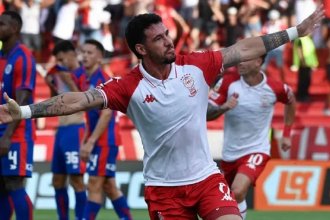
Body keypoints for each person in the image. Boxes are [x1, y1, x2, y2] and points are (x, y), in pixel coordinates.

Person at [0, 6, 324, 220]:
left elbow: (244, 48)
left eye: (167, 34)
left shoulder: (196, 65)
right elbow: (78, 101)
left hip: (206, 178)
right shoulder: (128, 86)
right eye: (159, 39)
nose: (169, 42)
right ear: (141, 49)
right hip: (164, 191)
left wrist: (294, 32)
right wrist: (25, 111)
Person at [207, 55, 296, 219]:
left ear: (258, 62)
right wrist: (224, 107)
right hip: (230, 153)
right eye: (239, 58)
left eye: (246, 59)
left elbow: (291, 101)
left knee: (238, 190)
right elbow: (206, 114)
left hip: (257, 150)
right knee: (227, 200)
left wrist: (287, 133)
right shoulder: (227, 82)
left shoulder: (274, 87)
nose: (240, 61)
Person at [73, 39, 131, 219]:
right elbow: (90, 117)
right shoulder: (86, 79)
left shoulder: (103, 79)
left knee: (94, 184)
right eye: (83, 52)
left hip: (106, 140)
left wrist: (90, 142)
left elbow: (106, 115)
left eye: (90, 53)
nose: (84, 56)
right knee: (109, 187)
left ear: (99, 57)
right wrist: (86, 139)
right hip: (98, 139)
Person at [0, 11, 37, 220]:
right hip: (1, 127)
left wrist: (7, 136)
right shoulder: (2, 56)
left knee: (14, 182)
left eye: (2, 24)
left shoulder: (23, 56)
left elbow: (22, 100)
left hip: (16, 133)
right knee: (1, 186)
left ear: (15, 28)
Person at [45, 40, 87, 220]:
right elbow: (53, 103)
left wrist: (70, 83)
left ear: (72, 53)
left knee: (77, 180)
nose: (60, 64)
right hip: (61, 130)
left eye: (62, 59)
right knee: (57, 181)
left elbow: (87, 102)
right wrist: (50, 85)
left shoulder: (83, 73)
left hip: (76, 129)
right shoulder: (58, 74)